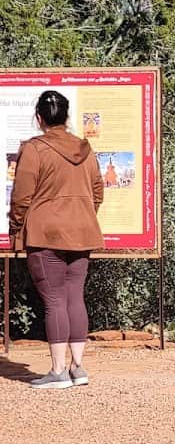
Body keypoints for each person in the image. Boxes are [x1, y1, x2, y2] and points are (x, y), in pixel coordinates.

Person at [7, 90, 104, 389]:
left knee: (53, 300)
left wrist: (16, 227)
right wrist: (81, 215)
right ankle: (78, 368)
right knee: (74, 295)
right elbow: (98, 191)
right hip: (82, 232)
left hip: (45, 233)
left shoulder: (34, 149)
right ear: (67, 117)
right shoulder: (85, 149)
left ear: (39, 118)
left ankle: (58, 370)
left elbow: (21, 196)